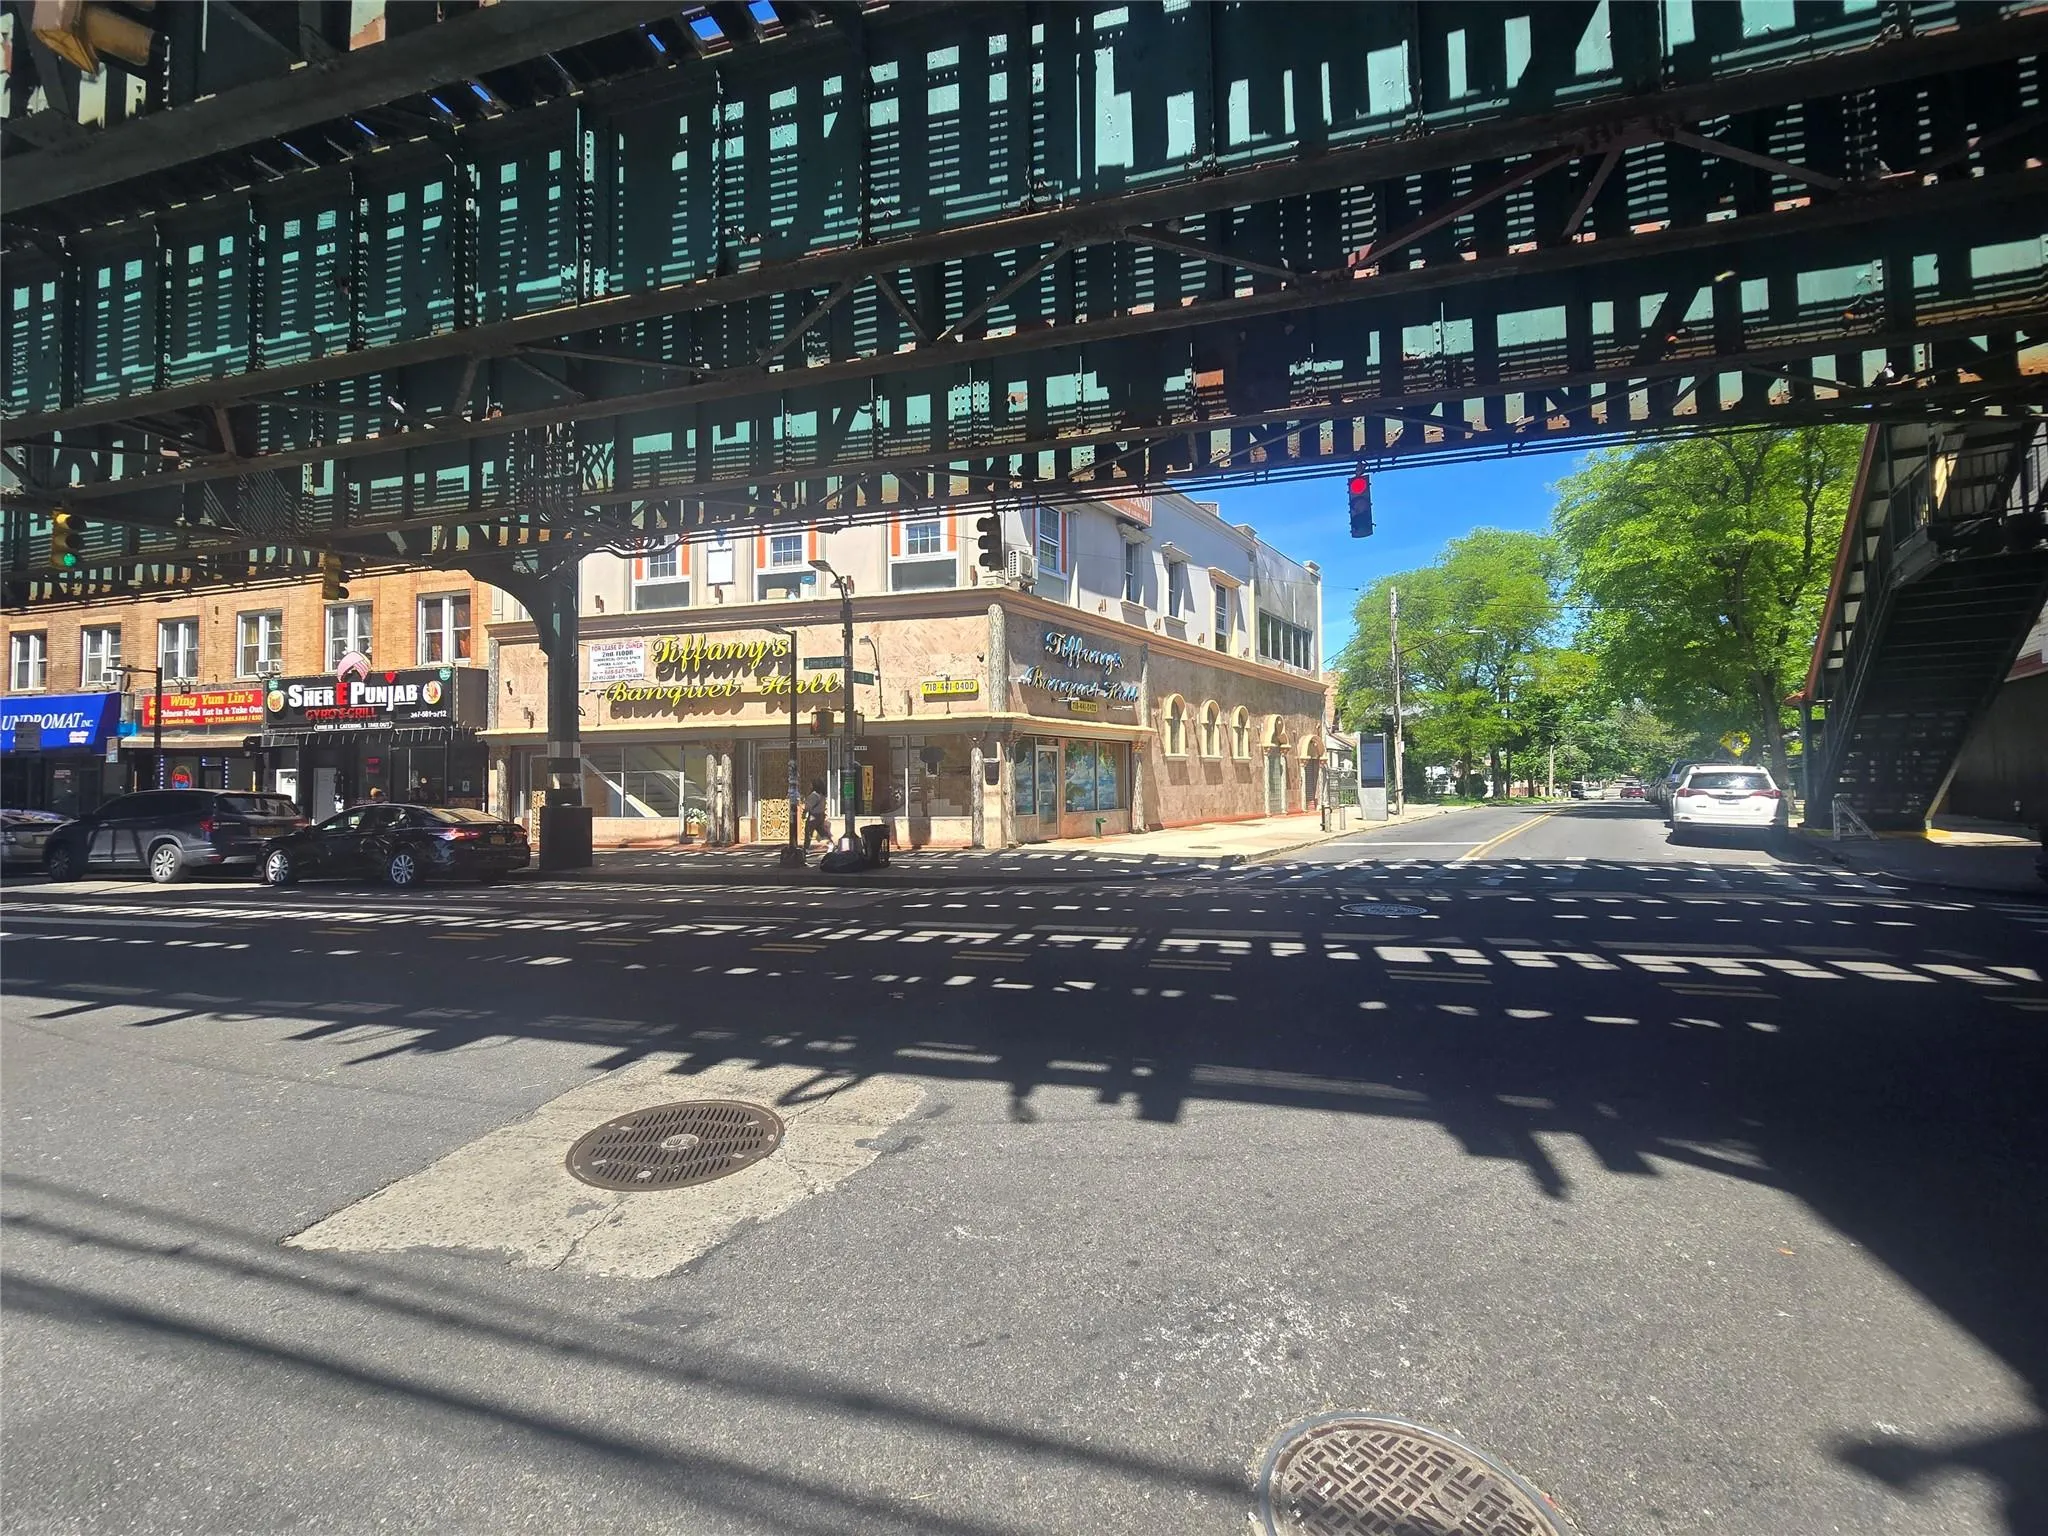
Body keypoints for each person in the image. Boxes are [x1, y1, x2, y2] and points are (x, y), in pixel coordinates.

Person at [803, 780, 831, 847]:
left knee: (808, 831)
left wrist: (804, 813)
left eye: (811, 785)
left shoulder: (814, 795)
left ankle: (806, 847)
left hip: (813, 816)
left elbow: (808, 806)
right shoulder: (822, 796)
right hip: (820, 816)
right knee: (822, 831)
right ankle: (830, 843)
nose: (810, 786)